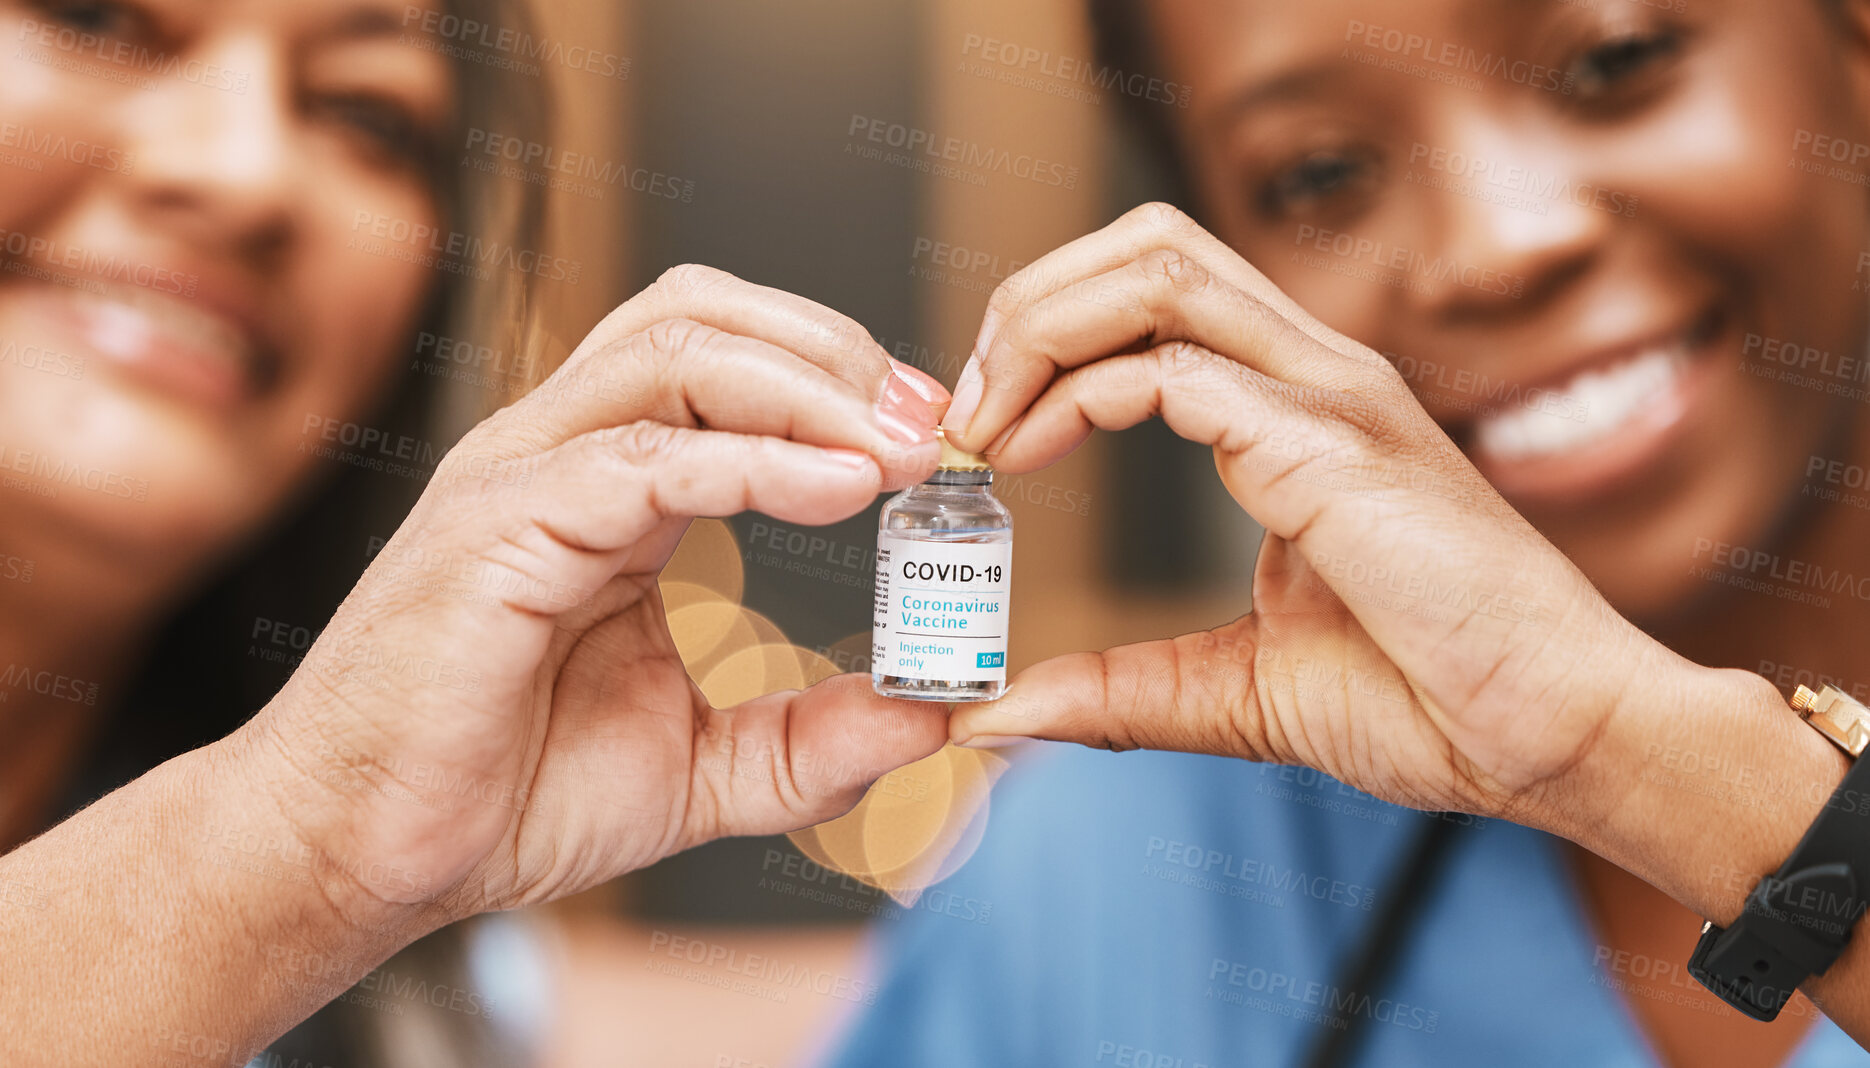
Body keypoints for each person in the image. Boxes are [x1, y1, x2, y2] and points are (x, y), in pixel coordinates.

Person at [830, 0, 1870, 1065]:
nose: (1496, 247)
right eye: (1318, 174)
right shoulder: (1115, 882)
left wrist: (1649, 768)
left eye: (1615, 59)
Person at [0, 0, 956, 1062]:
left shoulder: (371, 983)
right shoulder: (288, 865)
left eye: (366, 113)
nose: (244, 169)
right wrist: (291, 849)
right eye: (91, 18)